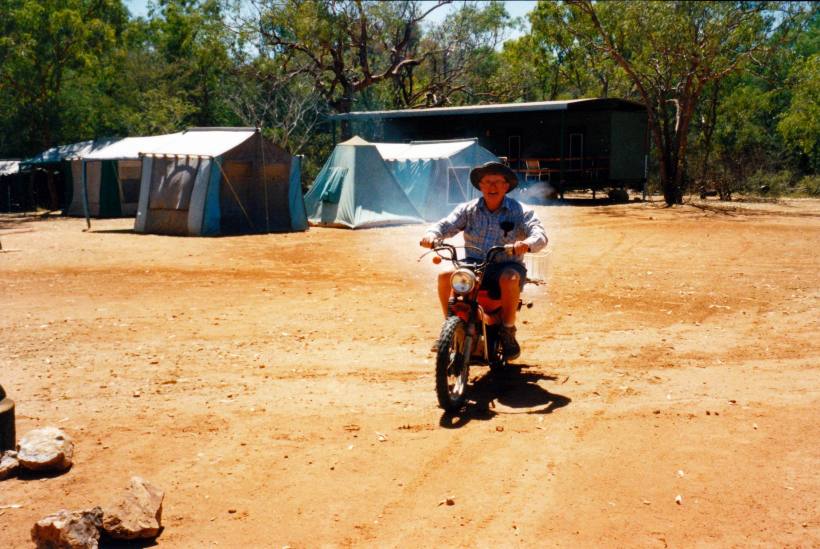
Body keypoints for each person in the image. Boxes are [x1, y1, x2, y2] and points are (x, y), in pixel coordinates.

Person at [419, 161, 548, 360]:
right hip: (473, 263)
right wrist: (432, 235)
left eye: (497, 182)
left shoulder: (521, 211)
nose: (492, 187)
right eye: (487, 182)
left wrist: (526, 244)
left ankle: (507, 331)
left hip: (506, 264)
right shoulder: (468, 209)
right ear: (480, 186)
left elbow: (539, 235)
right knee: (445, 276)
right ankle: (450, 327)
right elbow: (447, 224)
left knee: (510, 278)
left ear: (507, 186)